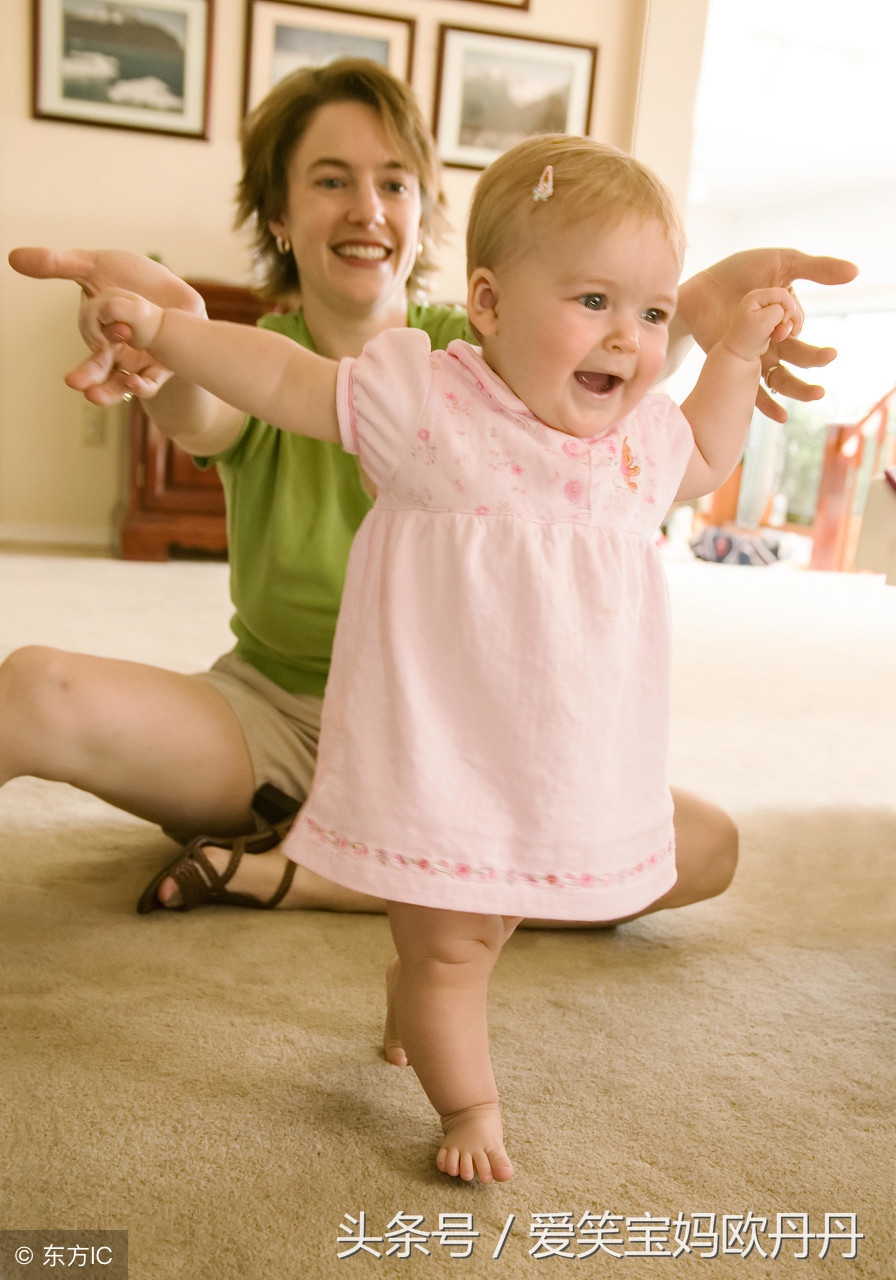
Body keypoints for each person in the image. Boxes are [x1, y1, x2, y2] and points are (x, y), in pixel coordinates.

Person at [75, 133, 817, 1184]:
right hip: (438, 757)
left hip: (556, 767)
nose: (629, 337)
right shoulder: (429, 405)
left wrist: (731, 354)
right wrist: (165, 333)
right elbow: (282, 376)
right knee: (455, 946)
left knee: (496, 918)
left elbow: (705, 452)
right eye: (593, 301)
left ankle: (406, 999)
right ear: (486, 303)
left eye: (652, 313)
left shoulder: (633, 445)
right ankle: (467, 1097)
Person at [3, 58, 856, 930]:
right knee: (34, 688)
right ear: (280, 216)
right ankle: (364, 858)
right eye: (331, 181)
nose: (367, 208)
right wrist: (165, 337)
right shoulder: (273, 358)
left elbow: (605, 385)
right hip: (276, 723)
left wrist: (705, 311)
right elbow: (208, 399)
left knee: (700, 846)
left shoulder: (497, 349)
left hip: (473, 743)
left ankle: (311, 874)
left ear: (424, 215)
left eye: (394, 183)